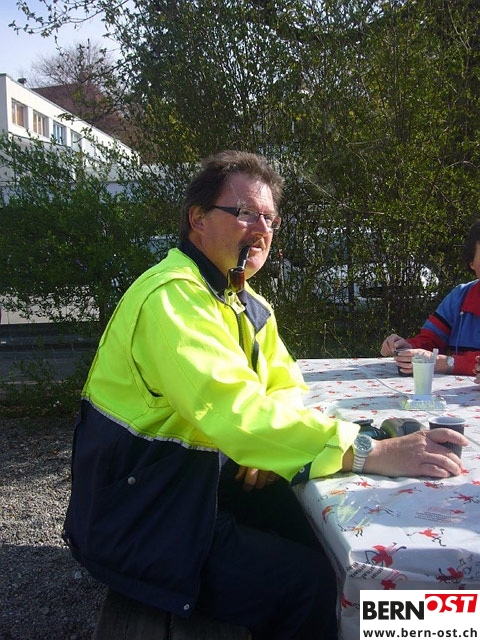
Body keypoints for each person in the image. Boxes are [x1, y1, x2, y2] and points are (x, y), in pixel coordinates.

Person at [63, 151, 466, 640]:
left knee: (335, 539)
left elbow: (285, 384)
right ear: (197, 219)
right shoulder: (172, 298)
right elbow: (234, 411)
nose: (261, 229)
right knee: (313, 585)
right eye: (245, 213)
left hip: (200, 486)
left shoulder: (246, 303)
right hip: (147, 515)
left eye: (270, 218)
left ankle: (442, 624)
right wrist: (369, 451)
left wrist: (264, 450)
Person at [381, 219, 480, 377]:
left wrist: (444, 363)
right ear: (471, 262)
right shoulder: (460, 297)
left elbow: (438, 361)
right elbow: (431, 340)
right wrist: (407, 347)